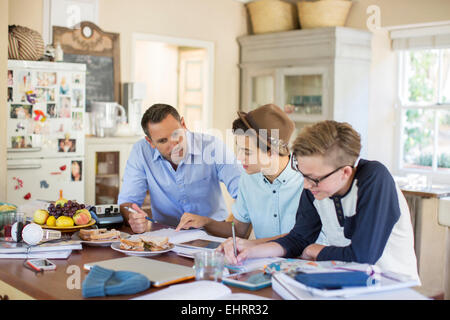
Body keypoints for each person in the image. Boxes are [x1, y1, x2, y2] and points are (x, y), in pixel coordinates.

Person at [221, 120, 419, 281]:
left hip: (392, 288)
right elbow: (298, 239)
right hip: (347, 282)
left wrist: (315, 250)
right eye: (303, 175)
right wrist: (249, 251)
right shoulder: (316, 185)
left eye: (313, 179)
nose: (306, 185)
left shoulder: (375, 179)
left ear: (345, 172)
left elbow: (362, 257)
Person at [176, 104, 304, 247]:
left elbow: (303, 239)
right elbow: (239, 231)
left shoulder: (308, 180)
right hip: (265, 265)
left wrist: (252, 245)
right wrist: (206, 222)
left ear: (272, 152)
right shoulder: (248, 178)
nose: (240, 158)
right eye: (239, 149)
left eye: (247, 152)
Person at [118, 104, 241, 233]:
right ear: (150, 142)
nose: (174, 145)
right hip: (166, 235)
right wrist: (133, 217)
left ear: (183, 124)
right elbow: (127, 203)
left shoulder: (212, 146)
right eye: (163, 141)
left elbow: (244, 192)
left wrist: (237, 226)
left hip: (213, 232)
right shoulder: (141, 151)